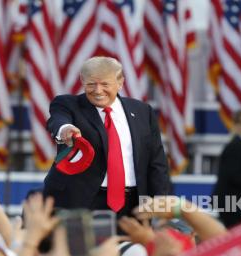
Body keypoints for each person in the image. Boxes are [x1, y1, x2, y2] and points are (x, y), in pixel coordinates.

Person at [43, 56, 171, 216]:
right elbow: (58, 120)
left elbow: (157, 162)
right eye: (91, 84)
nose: (98, 91)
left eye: (105, 84)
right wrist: (65, 129)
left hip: (134, 205)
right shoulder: (68, 104)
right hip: (80, 202)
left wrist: (161, 201)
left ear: (120, 82)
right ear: (82, 81)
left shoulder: (142, 111)